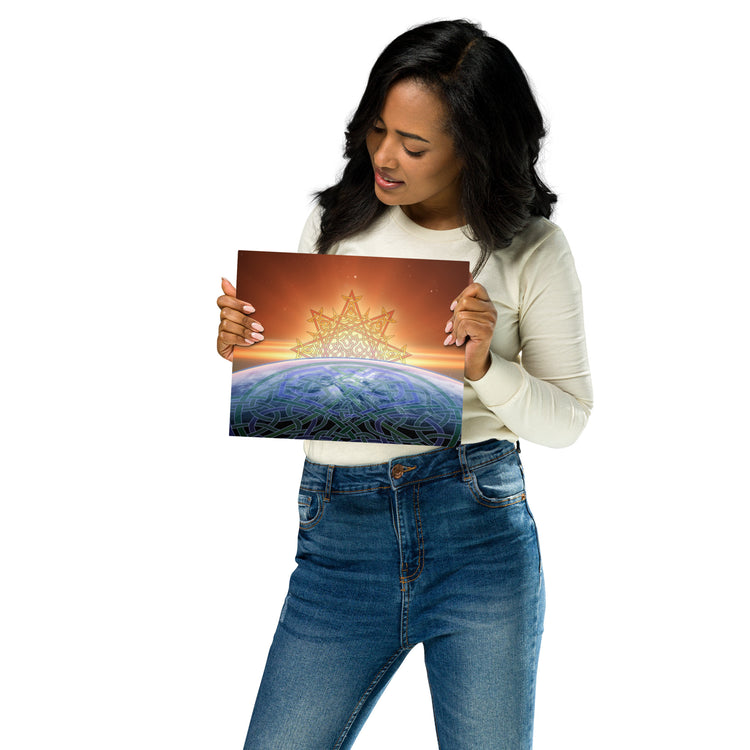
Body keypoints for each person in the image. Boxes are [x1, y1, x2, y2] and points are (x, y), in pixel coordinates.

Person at [217, 19, 592, 749]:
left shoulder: (532, 249)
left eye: (414, 145)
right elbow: (318, 406)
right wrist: (254, 353)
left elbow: (569, 421)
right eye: (377, 130)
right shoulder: (333, 224)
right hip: (339, 546)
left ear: (474, 149)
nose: (385, 157)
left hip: (477, 533)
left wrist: (485, 366)